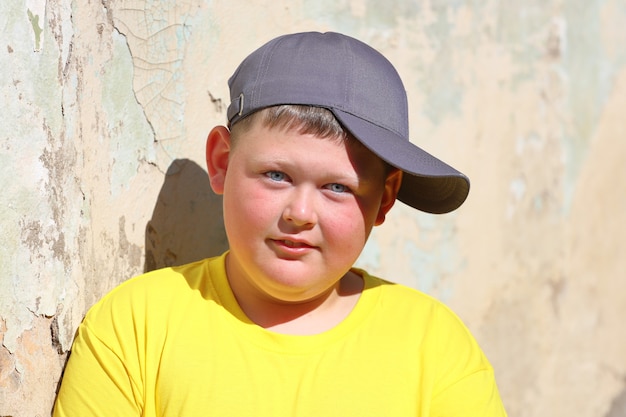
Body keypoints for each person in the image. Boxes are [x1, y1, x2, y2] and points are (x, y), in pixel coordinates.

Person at [53, 31, 507, 416]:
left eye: (338, 188)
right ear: (222, 162)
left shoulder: (435, 348)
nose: (300, 214)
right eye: (276, 175)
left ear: (384, 198)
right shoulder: (134, 327)